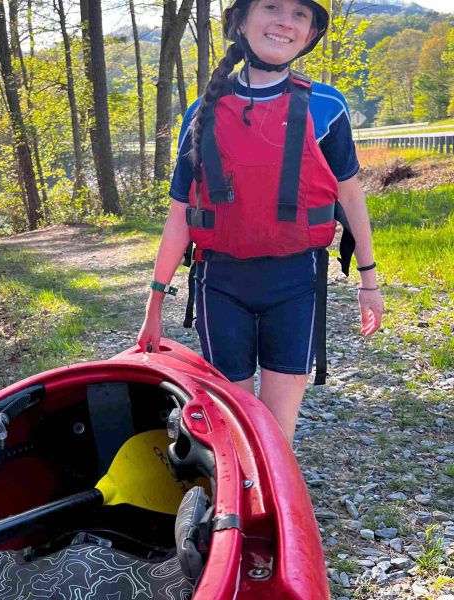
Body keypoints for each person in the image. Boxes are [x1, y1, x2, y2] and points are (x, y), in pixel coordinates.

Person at [137, 0, 384, 446]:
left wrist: (369, 281)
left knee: (275, 431)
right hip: (221, 283)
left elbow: (350, 197)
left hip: (295, 282)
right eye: (271, 7)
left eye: (300, 15)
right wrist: (154, 305)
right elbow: (180, 217)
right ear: (241, 22)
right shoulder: (201, 113)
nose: (285, 22)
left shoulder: (326, 107)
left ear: (309, 35)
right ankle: (232, 507)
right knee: (234, 426)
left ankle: (272, 509)